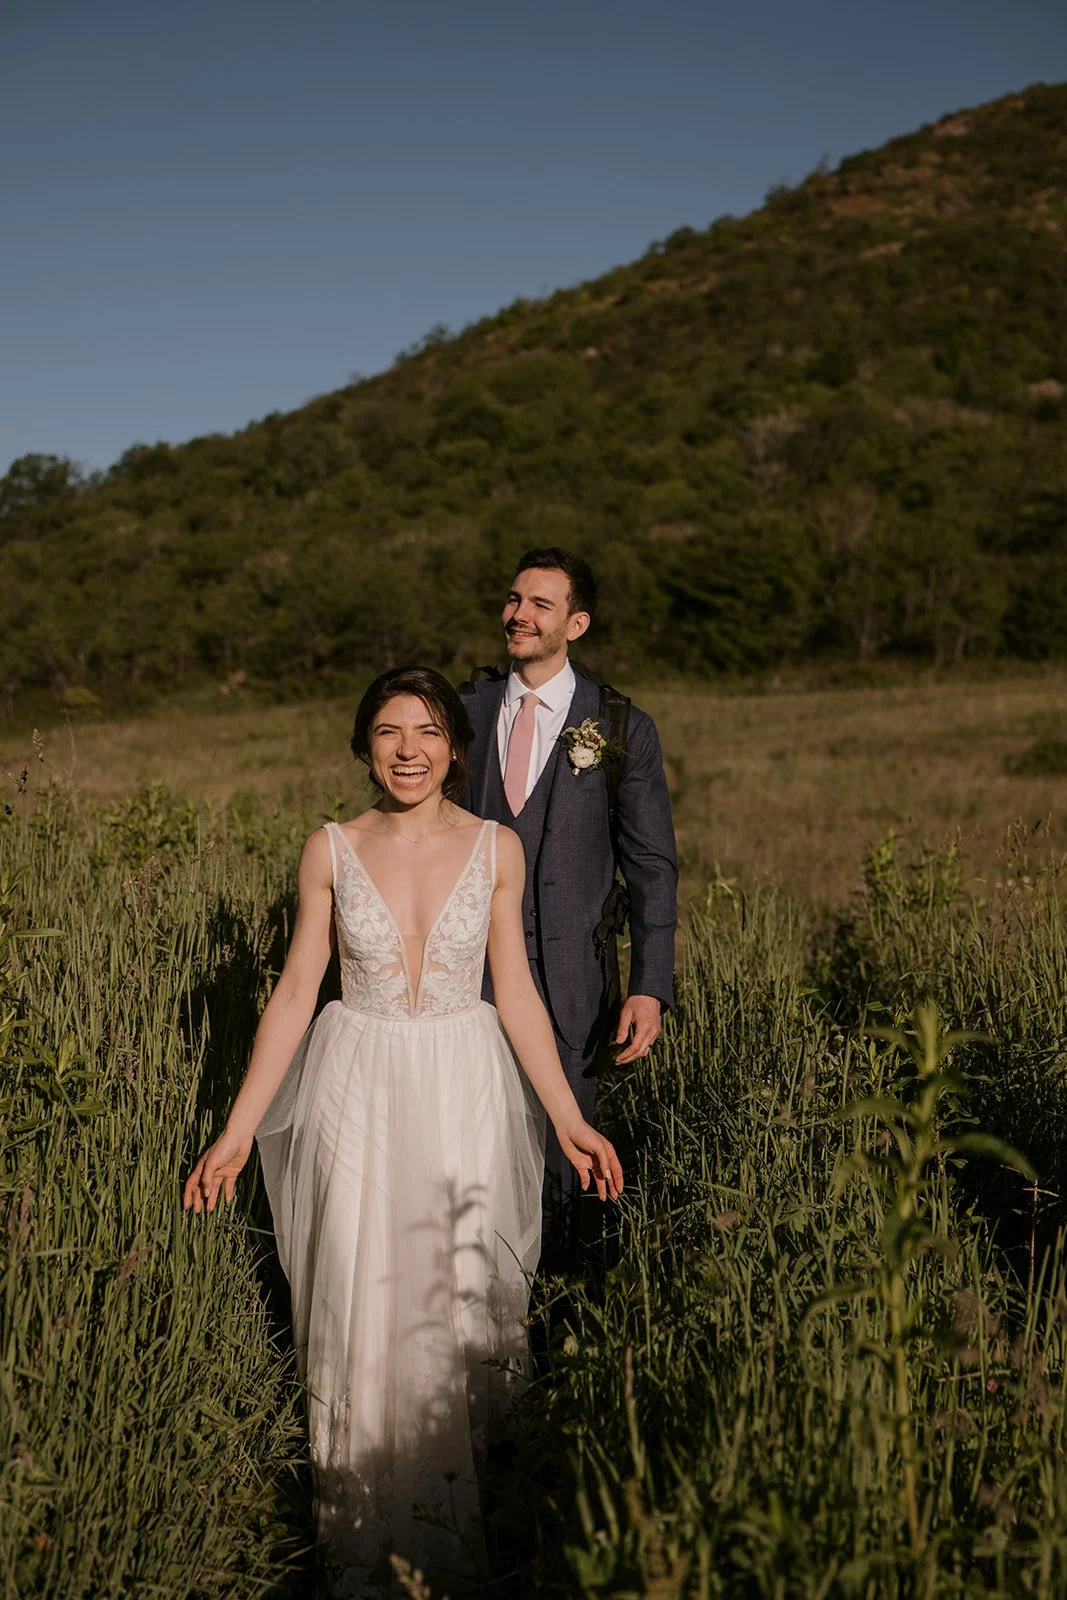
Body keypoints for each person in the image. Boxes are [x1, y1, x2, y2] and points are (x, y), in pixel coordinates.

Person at [182, 667, 622, 1598]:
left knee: (462, 1291)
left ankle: (468, 1528)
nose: (408, 750)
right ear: (363, 746)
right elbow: (298, 994)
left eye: (425, 732)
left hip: (463, 1082)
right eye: (387, 733)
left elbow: (520, 1000)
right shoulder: (330, 848)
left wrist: (570, 1119)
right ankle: (359, 1538)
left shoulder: (495, 848)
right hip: (357, 1081)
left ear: (455, 747)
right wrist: (234, 1132)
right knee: (358, 1291)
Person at [460, 548, 677, 1263]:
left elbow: (650, 865)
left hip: (570, 983)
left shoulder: (619, 726)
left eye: (539, 604)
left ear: (575, 624)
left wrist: (648, 984)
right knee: (465, 1150)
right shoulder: (461, 711)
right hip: (460, 976)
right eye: (513, 599)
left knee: (566, 1155)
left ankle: (563, 1323)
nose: (517, 614)